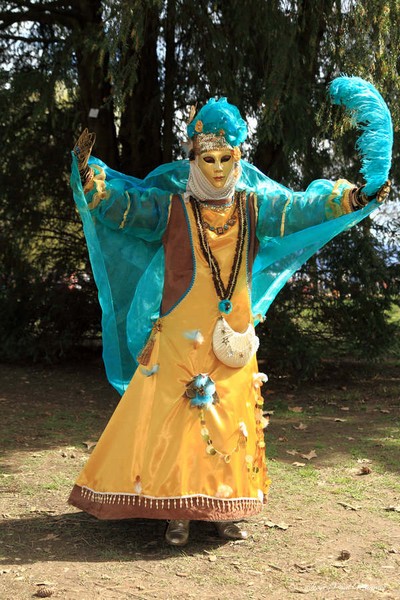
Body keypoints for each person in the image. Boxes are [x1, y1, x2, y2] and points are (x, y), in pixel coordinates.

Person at [69, 82, 391, 546]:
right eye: (208, 159)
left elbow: (304, 207)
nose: (218, 170)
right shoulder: (170, 209)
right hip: (179, 333)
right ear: (192, 158)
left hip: (233, 335)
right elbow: (124, 206)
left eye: (227, 159)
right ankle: (176, 511)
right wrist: (89, 178)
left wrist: (352, 197)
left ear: (240, 159)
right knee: (176, 420)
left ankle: (224, 510)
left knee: (231, 418)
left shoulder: (257, 209)